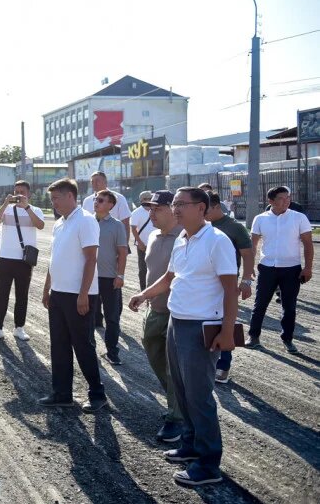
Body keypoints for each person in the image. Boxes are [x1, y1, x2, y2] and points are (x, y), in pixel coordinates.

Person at [129, 187, 239, 486]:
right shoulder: (182, 238)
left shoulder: (218, 241)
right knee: (181, 390)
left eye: (182, 204)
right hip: (177, 322)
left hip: (201, 326)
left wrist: (227, 331)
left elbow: (230, 289)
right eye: (174, 204)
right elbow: (170, 277)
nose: (176, 209)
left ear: (201, 208)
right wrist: (144, 294)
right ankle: (190, 445)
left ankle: (208, 464)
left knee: (199, 396)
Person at [40, 178, 107, 412]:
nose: (54, 203)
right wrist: (47, 289)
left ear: (70, 196)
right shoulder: (60, 223)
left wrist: (83, 294)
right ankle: (62, 393)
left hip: (79, 295)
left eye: (56, 198)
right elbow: (54, 259)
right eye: (52, 199)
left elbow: (91, 259)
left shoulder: (86, 220)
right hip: (59, 293)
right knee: (58, 345)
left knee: (83, 345)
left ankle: (97, 394)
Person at [129, 190, 184, 443]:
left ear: (173, 209)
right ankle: (178, 402)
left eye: (157, 209)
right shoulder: (152, 235)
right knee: (154, 356)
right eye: (149, 209)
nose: (151, 213)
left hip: (177, 312)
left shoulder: (184, 237)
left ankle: (177, 417)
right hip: (154, 309)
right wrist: (144, 295)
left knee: (175, 367)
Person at [246, 186, 313, 353]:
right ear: (271, 201)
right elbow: (253, 245)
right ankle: (253, 336)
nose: (286, 201)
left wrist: (308, 268)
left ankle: (287, 339)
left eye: (288, 197)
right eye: (282, 198)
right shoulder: (260, 219)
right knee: (260, 304)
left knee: (289, 306)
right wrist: (249, 267)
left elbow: (308, 244)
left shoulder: (299, 218)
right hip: (267, 268)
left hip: (291, 269)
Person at [205, 191, 254, 383]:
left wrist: (247, 281)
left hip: (226, 283)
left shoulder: (234, 227)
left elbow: (248, 255)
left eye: (206, 209)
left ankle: (223, 365)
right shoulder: (200, 226)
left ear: (217, 206)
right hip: (203, 283)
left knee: (225, 321)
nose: (202, 213)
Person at [0, 180, 45, 341]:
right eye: (16, 191)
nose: (19, 195)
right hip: (5, 258)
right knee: (2, 295)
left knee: (22, 295)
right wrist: (5, 203)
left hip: (24, 260)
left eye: (22, 192)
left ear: (29, 194)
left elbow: (40, 225)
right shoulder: (7, 209)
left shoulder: (35, 210)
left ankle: (19, 328)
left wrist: (27, 208)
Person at [93, 189, 128, 365]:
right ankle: (89, 350)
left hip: (109, 278)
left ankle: (112, 352)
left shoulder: (117, 225)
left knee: (112, 318)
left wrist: (120, 275)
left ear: (110, 205)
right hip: (89, 278)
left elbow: (122, 252)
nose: (96, 202)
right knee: (87, 316)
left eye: (100, 200)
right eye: (96, 199)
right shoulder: (86, 222)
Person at [82, 171, 131, 242]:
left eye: (97, 181)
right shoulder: (87, 201)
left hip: (113, 240)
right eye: (92, 182)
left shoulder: (119, 198)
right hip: (93, 241)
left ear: (105, 182)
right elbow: (85, 224)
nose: (94, 184)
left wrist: (125, 244)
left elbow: (125, 223)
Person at [130, 190, 157, 291]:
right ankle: (143, 290)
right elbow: (133, 229)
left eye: (150, 198)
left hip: (156, 243)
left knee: (156, 267)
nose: (149, 200)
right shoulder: (136, 212)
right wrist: (140, 243)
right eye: (146, 199)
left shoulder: (156, 210)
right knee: (143, 269)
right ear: (141, 200)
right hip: (143, 245)